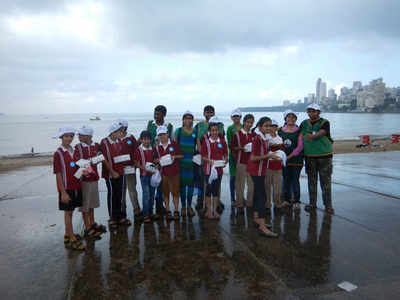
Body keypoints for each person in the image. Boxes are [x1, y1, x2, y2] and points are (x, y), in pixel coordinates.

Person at [53, 126, 85, 250]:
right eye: (66, 136)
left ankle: (68, 234)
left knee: (72, 210)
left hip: (77, 185)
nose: (69, 138)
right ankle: (72, 238)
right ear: (61, 137)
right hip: (67, 188)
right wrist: (63, 193)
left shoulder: (74, 150)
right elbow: (58, 174)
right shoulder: (58, 153)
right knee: (68, 213)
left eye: (71, 136)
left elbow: (78, 166)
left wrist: (85, 171)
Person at [246, 117, 279, 238]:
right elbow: (253, 158)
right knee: (262, 197)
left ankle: (256, 219)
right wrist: (269, 156)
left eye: (270, 125)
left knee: (257, 194)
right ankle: (263, 226)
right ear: (259, 127)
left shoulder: (264, 138)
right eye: (266, 126)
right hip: (256, 171)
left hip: (259, 170)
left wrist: (269, 155)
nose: (268, 128)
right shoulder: (257, 139)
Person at [300, 103, 334, 214]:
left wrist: (312, 137)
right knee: (311, 181)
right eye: (309, 111)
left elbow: (322, 132)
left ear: (318, 112)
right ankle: (312, 203)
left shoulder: (325, 122)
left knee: (326, 182)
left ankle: (328, 205)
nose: (311, 113)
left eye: (313, 111)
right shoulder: (304, 123)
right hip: (309, 157)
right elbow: (296, 133)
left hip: (324, 156)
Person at [73, 125, 105, 239]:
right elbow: (75, 162)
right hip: (84, 180)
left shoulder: (96, 146)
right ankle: (87, 227)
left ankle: (92, 223)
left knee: (92, 203)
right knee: (85, 204)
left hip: (94, 178)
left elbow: (100, 157)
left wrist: (97, 159)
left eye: (81, 135)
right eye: (79, 134)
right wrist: (88, 166)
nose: (79, 136)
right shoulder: (78, 147)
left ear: (89, 136)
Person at [100, 122, 131, 229]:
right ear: (113, 133)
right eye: (119, 132)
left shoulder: (119, 141)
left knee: (120, 194)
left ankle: (121, 216)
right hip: (110, 173)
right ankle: (112, 218)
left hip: (121, 171)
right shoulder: (104, 142)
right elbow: (103, 158)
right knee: (112, 194)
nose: (121, 133)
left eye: (121, 131)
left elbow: (121, 156)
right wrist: (112, 171)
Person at [194, 105, 224, 211]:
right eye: (207, 112)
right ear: (204, 113)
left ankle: (217, 202)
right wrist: (202, 153)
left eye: (211, 112)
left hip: (216, 158)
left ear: (214, 114)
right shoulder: (199, 125)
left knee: (217, 180)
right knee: (202, 180)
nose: (209, 114)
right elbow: (197, 139)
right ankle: (200, 201)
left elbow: (221, 138)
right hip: (203, 157)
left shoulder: (220, 125)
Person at [147, 105, 173, 215]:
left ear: (164, 115)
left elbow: (172, 141)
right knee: (152, 183)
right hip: (152, 158)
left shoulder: (169, 126)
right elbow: (144, 138)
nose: (156, 116)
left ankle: (159, 205)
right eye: (155, 113)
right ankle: (150, 208)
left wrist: (171, 155)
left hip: (164, 159)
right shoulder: (150, 124)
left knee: (163, 184)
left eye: (158, 114)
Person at [153, 126, 183, 220]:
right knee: (165, 193)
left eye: (164, 134)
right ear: (158, 136)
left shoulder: (174, 144)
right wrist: (158, 160)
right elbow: (154, 160)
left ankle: (176, 210)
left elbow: (181, 155)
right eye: (160, 135)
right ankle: (168, 210)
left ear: (167, 134)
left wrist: (174, 157)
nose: (162, 136)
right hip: (164, 173)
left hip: (175, 172)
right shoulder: (157, 147)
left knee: (175, 192)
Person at [200, 118, 228, 219]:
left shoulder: (222, 141)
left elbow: (225, 153)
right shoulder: (206, 142)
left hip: (219, 170)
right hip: (208, 170)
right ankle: (208, 211)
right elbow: (202, 156)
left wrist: (226, 160)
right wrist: (209, 161)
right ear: (209, 131)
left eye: (216, 130)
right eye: (212, 130)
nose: (215, 132)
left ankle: (215, 211)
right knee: (208, 190)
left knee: (216, 191)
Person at [173, 111, 197, 218]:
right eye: (186, 118)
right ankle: (183, 206)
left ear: (192, 120)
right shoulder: (178, 131)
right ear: (183, 120)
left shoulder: (195, 131)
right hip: (180, 164)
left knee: (191, 186)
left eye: (190, 118)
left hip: (192, 164)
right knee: (182, 186)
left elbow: (199, 147)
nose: (188, 120)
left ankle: (189, 206)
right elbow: (173, 147)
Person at [118, 119, 142, 222]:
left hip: (130, 169)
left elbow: (136, 151)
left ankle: (136, 210)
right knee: (121, 191)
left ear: (124, 127)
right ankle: (122, 211)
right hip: (118, 169)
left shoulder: (130, 137)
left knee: (132, 190)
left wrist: (135, 165)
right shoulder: (114, 139)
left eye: (120, 127)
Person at [279, 110, 304, 210]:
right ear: (285, 118)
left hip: (296, 160)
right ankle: (287, 200)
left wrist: (288, 157)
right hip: (284, 161)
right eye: (289, 117)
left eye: (293, 117)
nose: (291, 119)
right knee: (286, 180)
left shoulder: (299, 131)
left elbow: (300, 147)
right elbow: (278, 143)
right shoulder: (280, 130)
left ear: (296, 119)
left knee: (295, 180)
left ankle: (297, 201)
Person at [230, 114, 255, 208]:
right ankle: (239, 204)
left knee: (251, 185)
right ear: (244, 122)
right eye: (248, 122)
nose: (249, 124)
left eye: (251, 122)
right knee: (240, 185)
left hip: (252, 163)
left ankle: (249, 203)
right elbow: (232, 147)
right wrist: (240, 148)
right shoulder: (237, 134)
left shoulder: (254, 134)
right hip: (241, 162)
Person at [134, 131, 159, 223]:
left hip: (152, 175)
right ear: (141, 140)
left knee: (152, 194)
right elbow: (136, 163)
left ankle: (151, 212)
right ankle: (145, 214)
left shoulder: (153, 149)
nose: (146, 141)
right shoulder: (138, 150)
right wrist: (144, 169)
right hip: (144, 176)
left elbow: (155, 160)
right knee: (146, 194)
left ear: (150, 140)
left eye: (148, 139)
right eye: (144, 139)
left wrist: (156, 164)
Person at [265, 120, 287, 212]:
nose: (273, 128)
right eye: (271, 126)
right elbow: (264, 150)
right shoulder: (266, 137)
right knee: (267, 187)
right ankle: (267, 205)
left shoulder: (280, 138)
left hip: (278, 165)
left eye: (274, 126)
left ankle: (277, 204)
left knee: (277, 187)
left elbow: (282, 150)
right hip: (268, 166)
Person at [227, 109, 242, 204]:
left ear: (240, 117)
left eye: (238, 116)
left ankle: (240, 197)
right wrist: (234, 153)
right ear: (231, 117)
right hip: (233, 156)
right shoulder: (230, 128)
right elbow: (229, 143)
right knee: (233, 177)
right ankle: (232, 198)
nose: (236, 118)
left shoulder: (244, 127)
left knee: (241, 178)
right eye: (234, 116)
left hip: (243, 156)